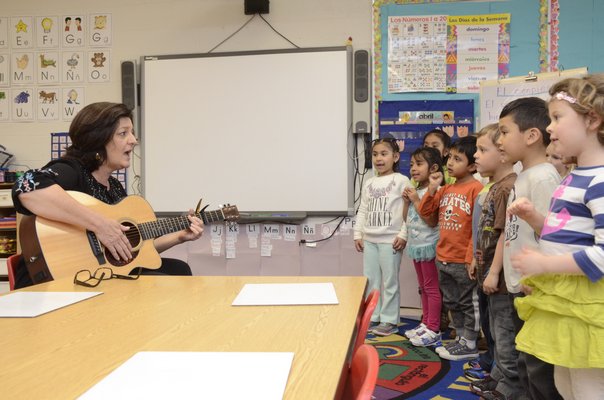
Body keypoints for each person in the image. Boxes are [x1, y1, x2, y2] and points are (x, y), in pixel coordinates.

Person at [11, 102, 204, 289]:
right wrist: (100, 225)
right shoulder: (72, 171)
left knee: (179, 269)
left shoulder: (114, 187)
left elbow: (133, 253)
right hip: (54, 278)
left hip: (99, 274)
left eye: (132, 132)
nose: (134, 140)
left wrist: (180, 236)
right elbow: (26, 187)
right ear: (97, 139)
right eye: (123, 133)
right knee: (155, 285)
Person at [509, 75, 604, 400]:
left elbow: (602, 256)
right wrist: (536, 218)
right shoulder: (575, 177)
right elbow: (569, 233)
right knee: (565, 384)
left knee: (588, 388)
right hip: (568, 300)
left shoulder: (600, 181)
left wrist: (544, 263)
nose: (550, 128)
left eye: (558, 118)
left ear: (592, 120)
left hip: (589, 305)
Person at [484, 97, 562, 400]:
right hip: (521, 288)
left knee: (539, 369)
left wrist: (537, 281)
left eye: (504, 132)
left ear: (531, 136)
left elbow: (551, 235)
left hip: (535, 289)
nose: (500, 140)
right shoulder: (526, 175)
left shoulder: (542, 177)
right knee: (525, 361)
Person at [418, 136, 483, 360]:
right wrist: (433, 188)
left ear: (473, 165)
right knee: (452, 302)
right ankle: (461, 339)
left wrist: (470, 256)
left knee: (468, 303)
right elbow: (427, 214)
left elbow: (477, 228)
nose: (450, 163)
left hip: (462, 260)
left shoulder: (477, 189)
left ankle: (471, 343)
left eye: (458, 159)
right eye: (451, 158)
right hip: (443, 257)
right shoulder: (446, 189)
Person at [471, 124, 521, 400]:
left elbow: (503, 234)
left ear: (502, 154)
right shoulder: (494, 186)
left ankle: (509, 388)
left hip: (500, 280)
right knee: (494, 331)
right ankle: (499, 378)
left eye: (482, 150)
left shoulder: (507, 188)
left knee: (504, 335)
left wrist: (493, 271)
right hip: (488, 275)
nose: (476, 156)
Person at [354, 138, 409, 337]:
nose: (379, 158)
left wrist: (403, 234)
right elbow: (363, 210)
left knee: (390, 281)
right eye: (375, 154)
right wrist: (358, 234)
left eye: (384, 154)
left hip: (390, 240)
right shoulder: (369, 182)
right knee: (371, 280)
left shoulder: (401, 180)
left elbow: (408, 210)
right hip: (370, 240)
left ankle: (389, 319)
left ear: (395, 157)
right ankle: (373, 316)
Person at [402, 146, 442, 346]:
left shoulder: (434, 191)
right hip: (417, 245)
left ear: (433, 168)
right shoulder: (416, 191)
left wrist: (416, 200)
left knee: (431, 288)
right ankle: (425, 322)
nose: (413, 169)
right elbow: (406, 219)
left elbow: (430, 220)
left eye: (419, 164)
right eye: (411, 165)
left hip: (429, 245)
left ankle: (433, 328)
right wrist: (406, 203)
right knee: (423, 287)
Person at [465, 125, 497, 382]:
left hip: (494, 269)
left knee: (499, 326)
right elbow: (477, 230)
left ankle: (498, 370)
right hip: (481, 262)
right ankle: (490, 362)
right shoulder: (487, 189)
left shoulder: (500, 189)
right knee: (488, 320)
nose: (476, 155)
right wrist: (474, 256)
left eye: (481, 150)